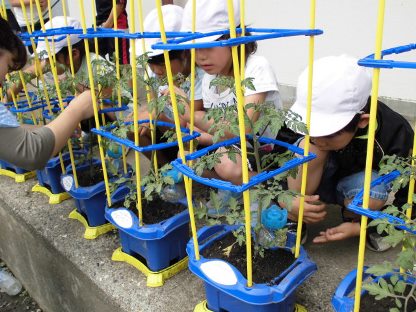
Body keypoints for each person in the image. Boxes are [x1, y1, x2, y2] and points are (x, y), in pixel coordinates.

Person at [285, 55, 414, 250]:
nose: (318, 139)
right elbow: (272, 158)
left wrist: (363, 228)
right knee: (307, 148)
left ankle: (356, 218)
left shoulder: (396, 133)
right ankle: (294, 218)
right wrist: (286, 200)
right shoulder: (303, 124)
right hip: (315, 181)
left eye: (328, 134)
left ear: (362, 121)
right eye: (311, 130)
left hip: (355, 187)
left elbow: (410, 199)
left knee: (373, 190)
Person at [178, 0, 282, 186]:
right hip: (232, 145)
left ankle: (271, 191)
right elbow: (218, 127)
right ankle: (233, 188)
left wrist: (192, 115)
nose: (201, 56)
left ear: (234, 39)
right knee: (186, 156)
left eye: (209, 45)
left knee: (225, 162)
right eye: (194, 47)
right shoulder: (210, 78)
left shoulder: (256, 68)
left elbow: (243, 127)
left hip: (263, 150)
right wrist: (202, 133)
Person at [0, 16, 95, 170]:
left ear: (74, 53)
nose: (5, 78)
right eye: (8, 67)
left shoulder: (92, 64)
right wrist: (75, 111)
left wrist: (64, 125)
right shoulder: (56, 60)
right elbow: (31, 151)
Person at [133, 4, 204, 165]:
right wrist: (147, 115)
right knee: (133, 127)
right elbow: (153, 105)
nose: (156, 70)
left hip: (193, 142)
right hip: (168, 132)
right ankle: (164, 172)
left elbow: (188, 129)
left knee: (187, 149)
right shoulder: (155, 74)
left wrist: (157, 116)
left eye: (163, 63)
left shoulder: (199, 78)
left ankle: (184, 176)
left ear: (185, 53)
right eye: (151, 62)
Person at [95, 0, 129, 64]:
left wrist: (107, 24)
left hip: (116, 27)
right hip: (101, 25)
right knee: (98, 63)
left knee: (120, 66)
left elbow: (119, 3)